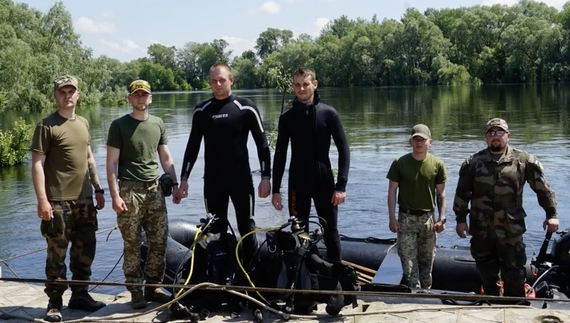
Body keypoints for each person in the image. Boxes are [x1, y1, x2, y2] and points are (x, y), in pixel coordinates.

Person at [175, 62, 271, 269]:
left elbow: (262, 145)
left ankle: (253, 278)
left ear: (231, 80)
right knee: (216, 231)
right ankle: (222, 277)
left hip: (241, 181)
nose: (217, 84)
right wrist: (184, 179)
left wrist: (266, 177)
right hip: (213, 182)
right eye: (213, 81)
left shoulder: (246, 108)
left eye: (222, 80)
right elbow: (192, 147)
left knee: (247, 229)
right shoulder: (202, 110)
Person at [453, 118, 559, 298]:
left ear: (508, 136)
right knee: (486, 273)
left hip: (510, 231)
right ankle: (491, 305)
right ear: (486, 137)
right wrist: (460, 220)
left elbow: (542, 189)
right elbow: (462, 193)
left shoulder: (524, 161)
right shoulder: (473, 163)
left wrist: (551, 214)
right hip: (482, 230)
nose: (495, 136)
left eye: (499, 132)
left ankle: (515, 308)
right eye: (491, 133)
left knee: (515, 275)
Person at [31, 75, 106, 322]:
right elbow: (37, 165)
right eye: (62, 92)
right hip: (58, 202)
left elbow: (88, 157)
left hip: (85, 201)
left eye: (71, 91)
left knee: (85, 252)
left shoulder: (83, 122)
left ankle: (80, 295)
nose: (67, 95)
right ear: (55, 95)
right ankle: (54, 303)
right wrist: (43, 201)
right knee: (57, 256)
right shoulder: (46, 126)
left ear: (78, 94)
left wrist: (98, 188)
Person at [106, 79, 179, 309]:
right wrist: (115, 196)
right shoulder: (119, 126)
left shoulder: (157, 123)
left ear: (151, 98)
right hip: (129, 191)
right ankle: (135, 290)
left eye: (144, 94)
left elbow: (165, 157)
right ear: (129, 98)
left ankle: (153, 286)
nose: (140, 98)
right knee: (132, 243)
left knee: (159, 241)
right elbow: (111, 163)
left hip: (155, 189)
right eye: (136, 95)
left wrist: (175, 183)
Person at [271, 67, 350, 262]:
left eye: (305, 84)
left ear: (314, 84)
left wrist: (341, 186)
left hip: (324, 181)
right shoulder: (287, 118)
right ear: (292, 87)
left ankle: (335, 283)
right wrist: (275, 189)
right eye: (297, 85)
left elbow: (344, 150)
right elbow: (280, 155)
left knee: (331, 233)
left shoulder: (328, 114)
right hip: (298, 183)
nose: (301, 88)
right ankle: (305, 281)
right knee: (299, 233)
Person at [386, 124, 447, 289]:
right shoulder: (400, 163)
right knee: (409, 266)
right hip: (406, 218)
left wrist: (442, 219)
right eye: (416, 140)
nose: (419, 143)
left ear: (430, 142)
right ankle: (413, 294)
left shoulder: (437, 164)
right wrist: (392, 218)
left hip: (429, 219)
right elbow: (392, 191)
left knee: (427, 265)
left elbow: (441, 194)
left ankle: (426, 294)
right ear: (410, 142)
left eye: (423, 140)